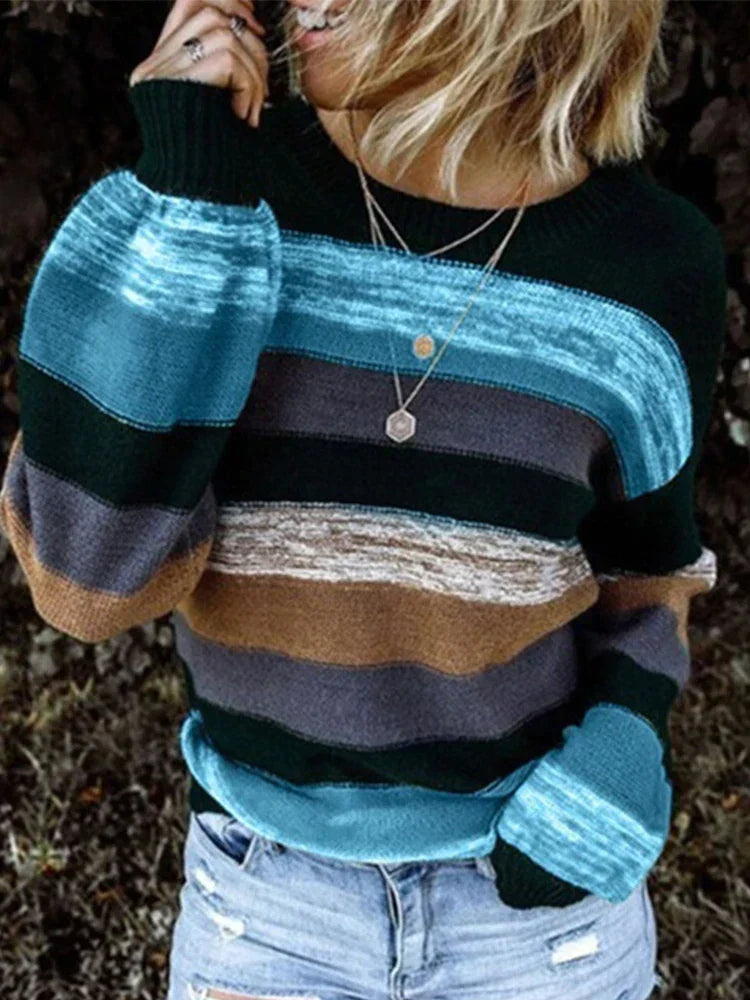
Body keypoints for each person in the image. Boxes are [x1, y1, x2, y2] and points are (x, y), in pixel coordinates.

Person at [0, 0, 728, 997]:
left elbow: (648, 570)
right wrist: (187, 199)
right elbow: (86, 580)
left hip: (536, 931)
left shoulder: (652, 266)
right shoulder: (224, 197)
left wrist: (619, 752)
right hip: (266, 912)